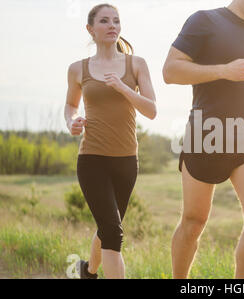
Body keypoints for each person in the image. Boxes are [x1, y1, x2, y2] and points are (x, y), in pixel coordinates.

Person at [163, 0, 244, 279]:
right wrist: (223, 70)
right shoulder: (204, 21)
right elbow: (171, 71)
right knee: (194, 221)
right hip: (206, 132)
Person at [64, 3, 157, 279]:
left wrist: (123, 87)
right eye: (104, 21)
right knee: (113, 233)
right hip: (92, 159)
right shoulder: (77, 69)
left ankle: (88, 271)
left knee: (108, 228)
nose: (112, 25)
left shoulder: (136, 64)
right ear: (90, 29)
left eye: (116, 21)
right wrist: (72, 122)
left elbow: (151, 110)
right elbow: (70, 105)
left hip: (127, 161)